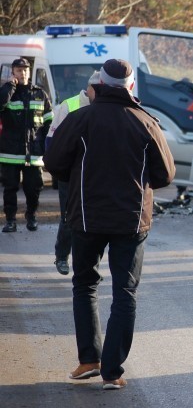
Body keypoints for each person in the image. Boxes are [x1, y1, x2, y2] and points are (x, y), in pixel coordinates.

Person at [44, 59, 175, 390]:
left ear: (99, 83)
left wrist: (77, 179)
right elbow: (165, 175)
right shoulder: (146, 123)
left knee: (85, 284)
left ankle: (89, 359)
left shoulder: (80, 118)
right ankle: (112, 372)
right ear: (131, 87)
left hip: (86, 219)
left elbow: (54, 163)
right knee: (124, 292)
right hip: (131, 222)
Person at [46, 71, 100, 275]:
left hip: (92, 174)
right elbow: (51, 142)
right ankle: (61, 257)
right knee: (69, 218)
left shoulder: (102, 108)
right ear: (91, 89)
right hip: (70, 174)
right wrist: (60, 172)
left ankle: (86, 266)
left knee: (91, 221)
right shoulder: (69, 105)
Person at [0, 58, 53, 233]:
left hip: (34, 152)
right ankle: (10, 220)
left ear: (29, 72)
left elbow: (49, 122)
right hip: (11, 153)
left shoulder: (40, 94)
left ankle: (31, 217)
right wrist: (10, 86)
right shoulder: (8, 92)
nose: (22, 73)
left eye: (25, 70)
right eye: (18, 70)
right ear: (13, 72)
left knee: (33, 189)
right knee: (10, 189)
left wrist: (43, 145)